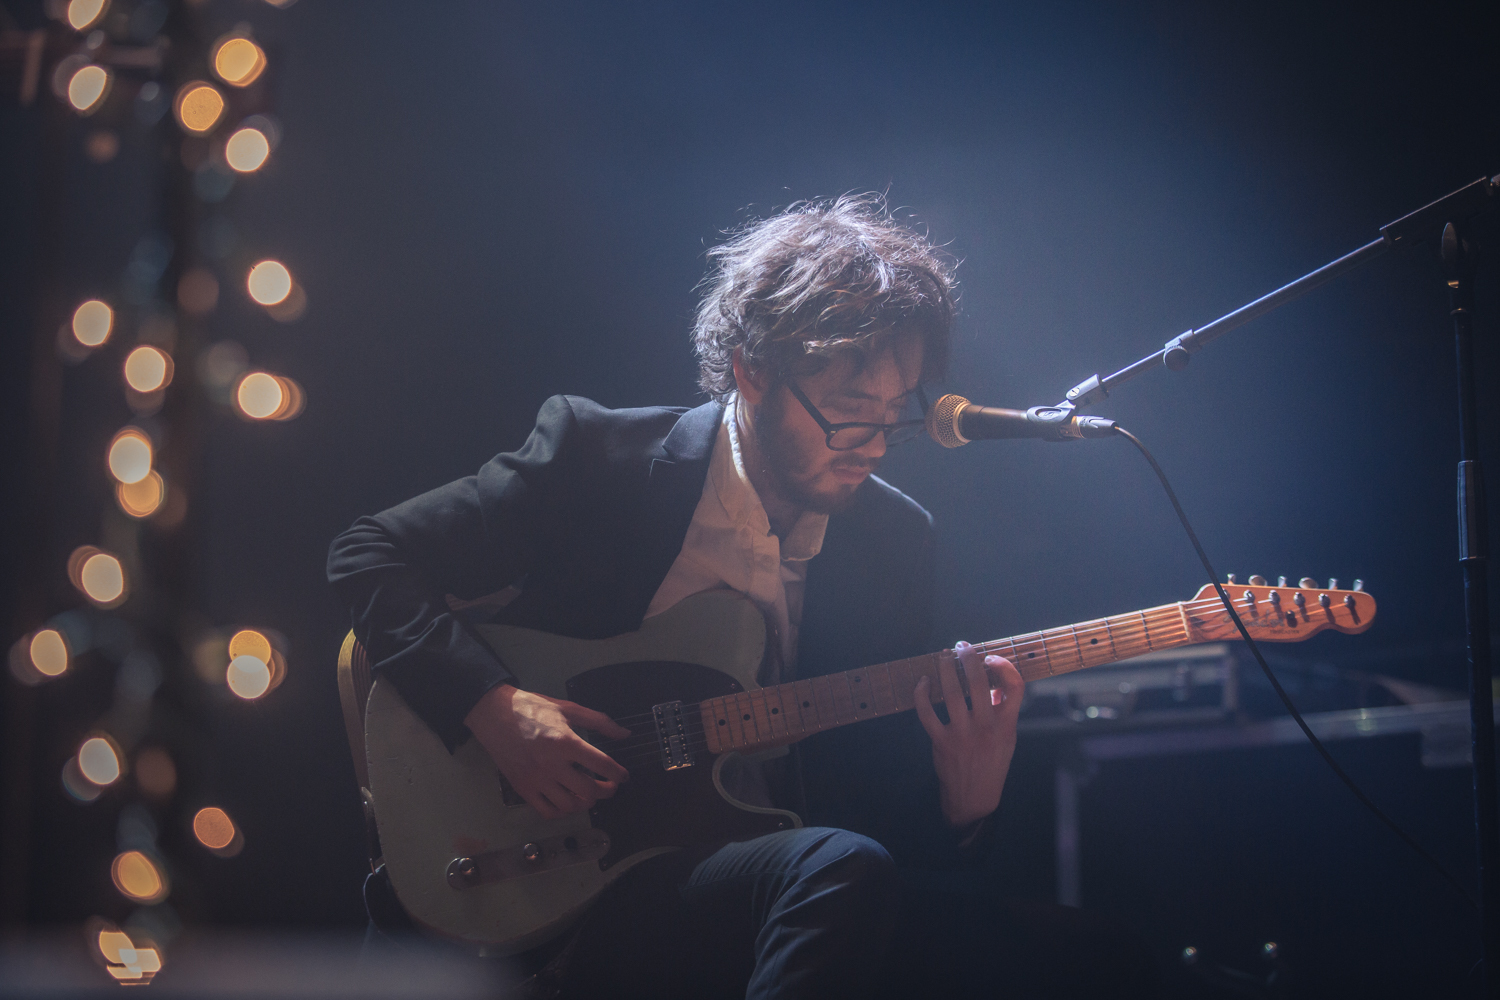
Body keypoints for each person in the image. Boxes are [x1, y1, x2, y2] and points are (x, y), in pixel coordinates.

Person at [327, 194, 1157, 998]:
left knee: (1103, 958)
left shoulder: (895, 543)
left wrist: (964, 799)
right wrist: (496, 707)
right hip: (545, 874)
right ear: (750, 371)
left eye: (891, 416)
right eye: (843, 410)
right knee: (840, 873)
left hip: (727, 888)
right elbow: (368, 553)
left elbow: (864, 824)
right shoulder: (601, 457)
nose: (870, 444)